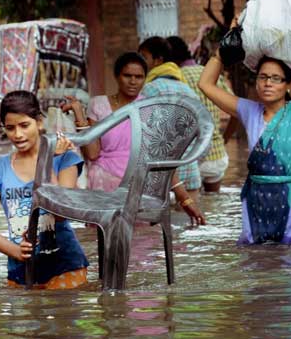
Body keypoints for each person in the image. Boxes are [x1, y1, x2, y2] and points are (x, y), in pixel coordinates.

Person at [198, 49, 291, 245]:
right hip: (258, 203)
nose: (268, 83)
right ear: (257, 82)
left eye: (276, 78)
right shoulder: (249, 111)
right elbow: (205, 84)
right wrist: (221, 52)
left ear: (288, 84)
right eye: (263, 77)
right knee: (260, 264)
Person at [0, 90, 89, 288]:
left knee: (62, 315)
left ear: (39, 122)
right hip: (20, 269)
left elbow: (62, 212)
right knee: (23, 317)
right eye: (10, 128)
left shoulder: (65, 158)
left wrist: (49, 161)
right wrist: (15, 251)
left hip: (64, 264)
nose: (17, 134)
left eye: (24, 125)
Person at [138, 36, 206, 225]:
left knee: (154, 233)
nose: (140, 62)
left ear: (158, 60)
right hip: (189, 169)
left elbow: (142, 135)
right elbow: (202, 133)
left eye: (143, 56)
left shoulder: (147, 90)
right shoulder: (188, 90)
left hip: (155, 173)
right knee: (189, 228)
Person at [61, 52, 147, 192]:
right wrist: (79, 114)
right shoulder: (99, 104)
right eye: (127, 76)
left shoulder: (148, 107)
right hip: (104, 177)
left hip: (139, 179)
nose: (133, 81)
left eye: (139, 77)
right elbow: (93, 153)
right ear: (117, 76)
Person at [167, 35, 232, 192]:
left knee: (188, 208)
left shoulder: (175, 80)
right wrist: (225, 140)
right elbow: (235, 112)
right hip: (217, 157)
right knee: (213, 205)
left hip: (189, 159)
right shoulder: (208, 74)